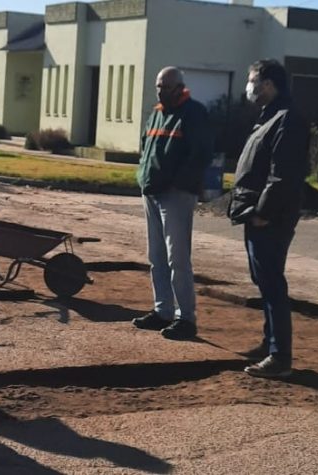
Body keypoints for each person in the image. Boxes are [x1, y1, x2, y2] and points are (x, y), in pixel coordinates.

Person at [228, 59, 309, 378]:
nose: (249, 87)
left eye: (252, 81)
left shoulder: (287, 120)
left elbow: (282, 176)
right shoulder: (269, 118)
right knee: (264, 280)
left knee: (272, 283)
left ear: (269, 84)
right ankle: (269, 344)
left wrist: (263, 212)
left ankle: (280, 356)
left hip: (269, 219)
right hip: (254, 214)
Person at [132, 67, 213, 340]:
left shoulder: (193, 113)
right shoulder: (156, 113)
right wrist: (144, 176)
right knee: (156, 257)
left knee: (177, 258)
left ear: (180, 87)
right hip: (152, 192)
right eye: (158, 86)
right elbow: (145, 146)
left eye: (166, 87)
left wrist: (176, 183)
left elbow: (200, 154)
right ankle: (162, 310)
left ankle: (186, 318)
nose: (161, 91)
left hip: (175, 195)